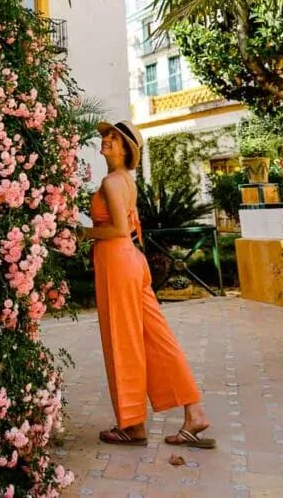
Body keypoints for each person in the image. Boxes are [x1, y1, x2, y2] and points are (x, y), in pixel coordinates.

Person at [77, 120, 216, 449]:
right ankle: (193, 412)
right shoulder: (126, 181)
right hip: (133, 263)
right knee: (157, 338)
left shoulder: (111, 182)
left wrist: (81, 233)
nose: (107, 140)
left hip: (117, 262)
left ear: (126, 149)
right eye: (106, 136)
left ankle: (133, 425)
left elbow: (118, 230)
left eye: (114, 137)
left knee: (121, 340)